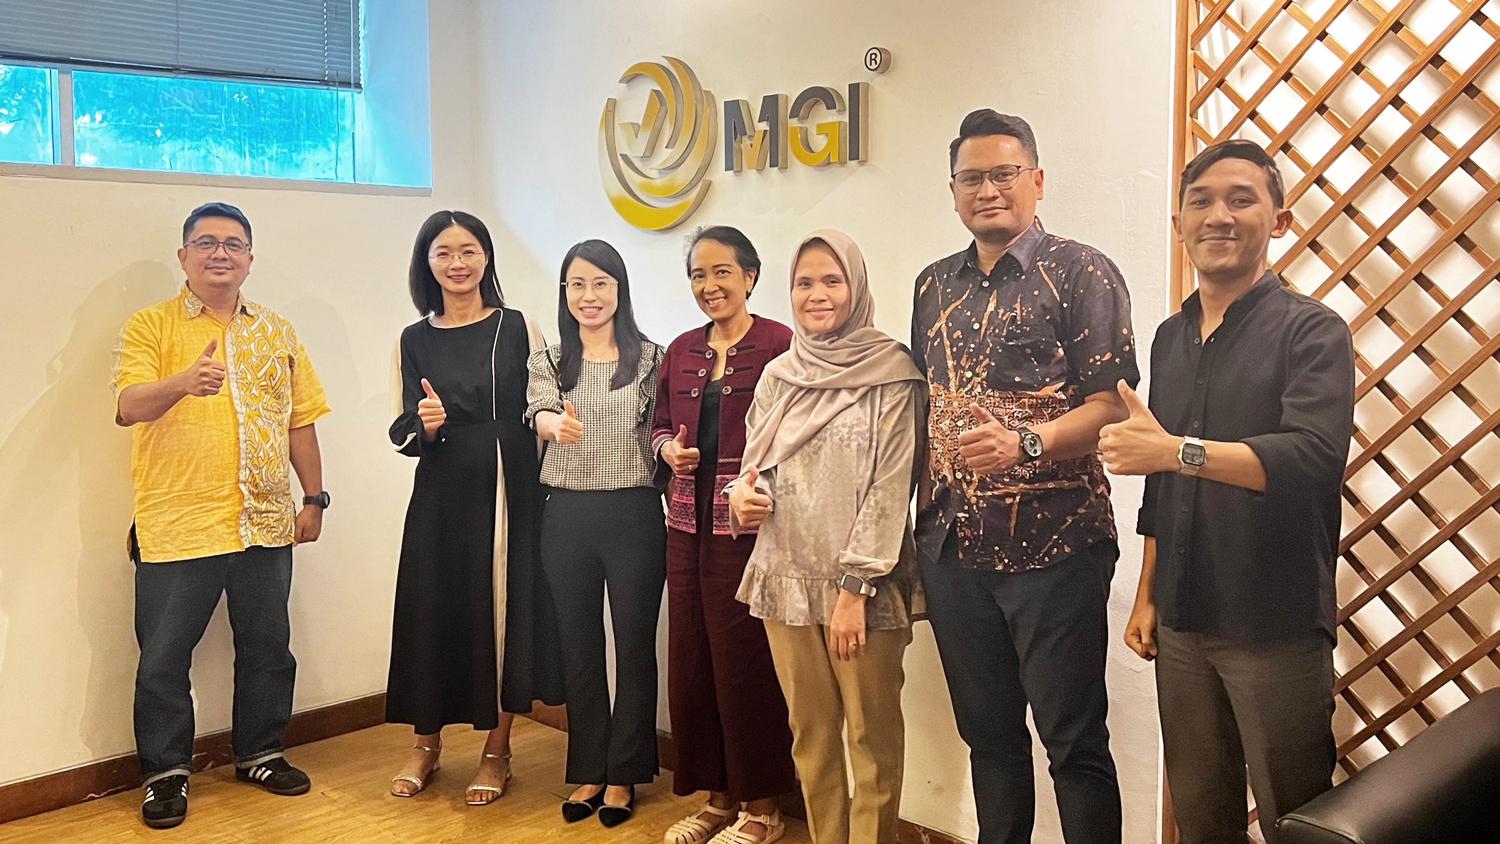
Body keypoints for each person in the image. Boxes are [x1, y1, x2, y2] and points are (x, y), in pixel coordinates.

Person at [1101, 140, 1353, 844]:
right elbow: (1161, 486)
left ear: (1280, 221)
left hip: (1274, 624)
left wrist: (1175, 451)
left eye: (1242, 199)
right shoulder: (1169, 337)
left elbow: (1310, 458)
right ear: (1178, 223)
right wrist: (1148, 592)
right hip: (1183, 619)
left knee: (1296, 817)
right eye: (1201, 201)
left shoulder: (1313, 330)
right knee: (1201, 814)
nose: (1219, 215)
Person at [910, 110, 1139, 844]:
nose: (988, 189)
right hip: (953, 551)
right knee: (990, 742)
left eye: (1004, 173)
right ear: (953, 190)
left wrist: (1026, 443)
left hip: (1056, 548)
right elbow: (925, 407)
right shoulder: (932, 284)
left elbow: (1113, 406)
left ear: (1036, 180)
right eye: (971, 177)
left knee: (1074, 746)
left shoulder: (1081, 271)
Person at [112, 201, 330, 829]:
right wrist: (182, 382)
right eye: (206, 243)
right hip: (178, 524)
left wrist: (313, 498)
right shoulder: (150, 325)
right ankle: (164, 774)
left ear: (250, 260)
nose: (220, 254)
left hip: (265, 519)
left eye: (234, 244)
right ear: (183, 257)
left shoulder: (278, 331)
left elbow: (301, 420)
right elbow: (127, 406)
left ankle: (260, 753)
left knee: (268, 647)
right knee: (163, 658)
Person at [729, 230, 925, 844]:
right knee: (810, 738)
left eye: (832, 280)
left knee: (871, 740)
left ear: (856, 287)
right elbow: (755, 465)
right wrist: (741, 496)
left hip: (861, 588)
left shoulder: (893, 373)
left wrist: (854, 588)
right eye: (804, 282)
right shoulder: (778, 375)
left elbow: (892, 485)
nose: (817, 294)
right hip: (784, 577)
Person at [384, 211, 565, 804]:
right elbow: (404, 430)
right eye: (444, 252)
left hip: (509, 485)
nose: (457, 263)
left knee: (502, 610)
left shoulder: (519, 326)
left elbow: (541, 405)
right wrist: (428, 424)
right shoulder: (412, 339)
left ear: (486, 257)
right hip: (441, 492)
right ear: (427, 262)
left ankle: (497, 750)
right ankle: (426, 743)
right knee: (432, 606)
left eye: (468, 251)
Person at [652, 226, 797, 844]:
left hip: (746, 531)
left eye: (722, 272)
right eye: (698, 275)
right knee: (691, 660)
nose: (709, 285)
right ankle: (717, 800)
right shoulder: (681, 348)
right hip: (685, 527)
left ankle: (762, 808)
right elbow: (659, 424)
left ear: (750, 277)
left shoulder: (779, 343)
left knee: (745, 664)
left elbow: (795, 433)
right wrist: (668, 451)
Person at [526, 239, 666, 829]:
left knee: (634, 646)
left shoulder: (653, 358)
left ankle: (625, 773)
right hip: (566, 516)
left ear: (619, 289)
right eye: (577, 284)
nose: (589, 295)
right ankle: (588, 767)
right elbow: (537, 410)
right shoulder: (549, 360)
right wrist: (549, 422)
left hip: (634, 513)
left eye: (601, 283)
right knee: (579, 647)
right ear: (565, 292)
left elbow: (662, 430)